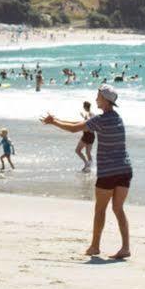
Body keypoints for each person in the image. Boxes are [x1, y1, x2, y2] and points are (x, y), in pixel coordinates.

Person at [41, 85, 130, 259]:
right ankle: (125, 247)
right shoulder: (117, 118)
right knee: (118, 209)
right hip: (125, 169)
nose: (96, 99)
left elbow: (75, 128)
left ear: (104, 99)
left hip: (108, 172)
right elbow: (78, 124)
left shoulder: (101, 120)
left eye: (98, 96)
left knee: (100, 210)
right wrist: (57, 119)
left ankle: (95, 247)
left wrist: (53, 122)